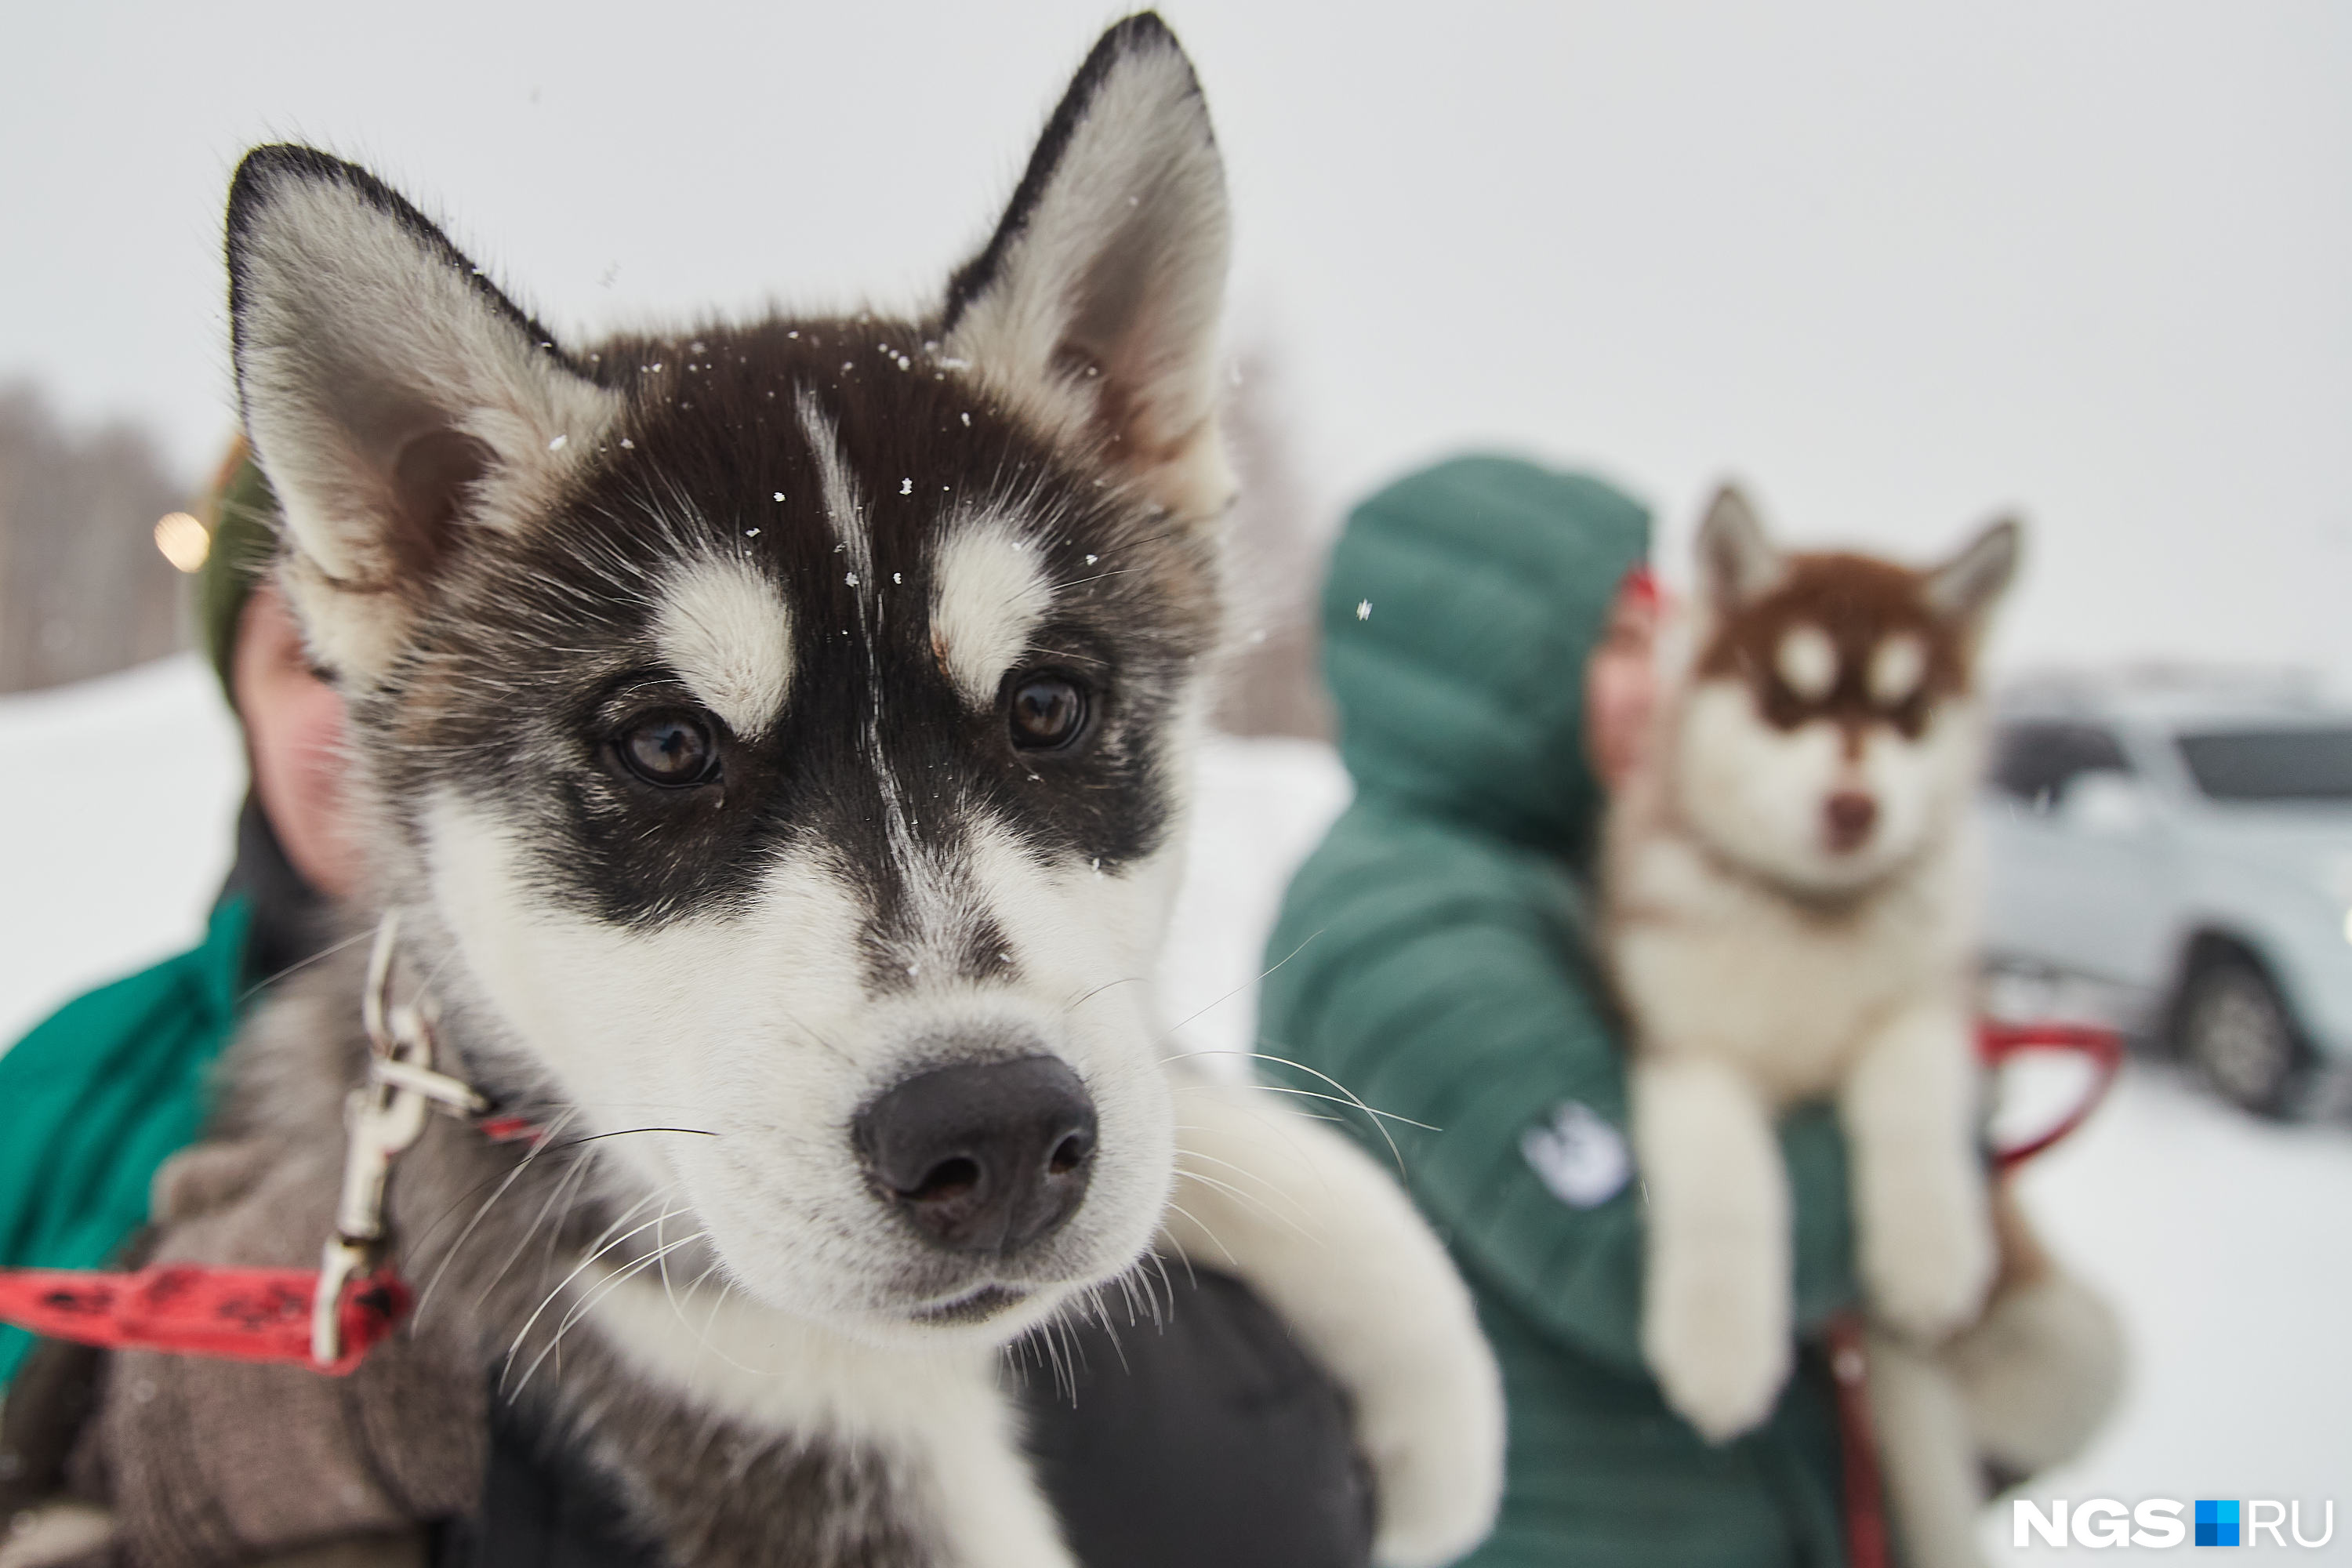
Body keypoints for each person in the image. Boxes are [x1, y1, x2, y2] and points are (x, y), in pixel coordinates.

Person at [0, 450, 1372, 1568]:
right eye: (300, 658)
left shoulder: (1011, 1044)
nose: (346, 707)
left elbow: (1273, 1496)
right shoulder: (73, 1072)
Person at [1260, 454, 1863, 1566]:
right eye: (1624, 642)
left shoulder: (1544, 870)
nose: (1681, 678)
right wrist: (1912, 1120)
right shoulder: (1402, 932)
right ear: (1493, 675)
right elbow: (1649, 1258)